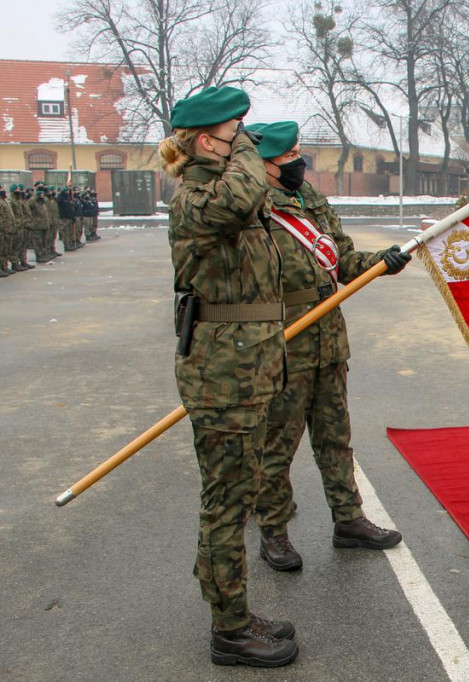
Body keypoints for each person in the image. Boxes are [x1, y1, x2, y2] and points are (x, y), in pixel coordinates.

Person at [158, 85, 297, 667]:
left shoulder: (228, 191)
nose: (244, 143)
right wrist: (244, 148)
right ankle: (229, 631)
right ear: (199, 141)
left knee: (237, 494)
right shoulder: (194, 197)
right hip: (223, 375)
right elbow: (242, 194)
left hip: (248, 367)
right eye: (233, 133)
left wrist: (237, 144)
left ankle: (234, 611)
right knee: (226, 501)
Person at [246, 120, 409, 571]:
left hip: (329, 338)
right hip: (284, 341)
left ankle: (349, 520)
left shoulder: (310, 201)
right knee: (277, 445)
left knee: (335, 437)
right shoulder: (253, 210)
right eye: (288, 156)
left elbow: (344, 261)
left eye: (299, 153)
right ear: (264, 164)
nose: (298, 162)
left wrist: (382, 263)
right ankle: (274, 532)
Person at [0, 185, 14, 276]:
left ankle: (4, 266)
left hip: (7, 229)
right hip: (2, 229)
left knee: (5, 249)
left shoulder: (4, 201)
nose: (3, 190)